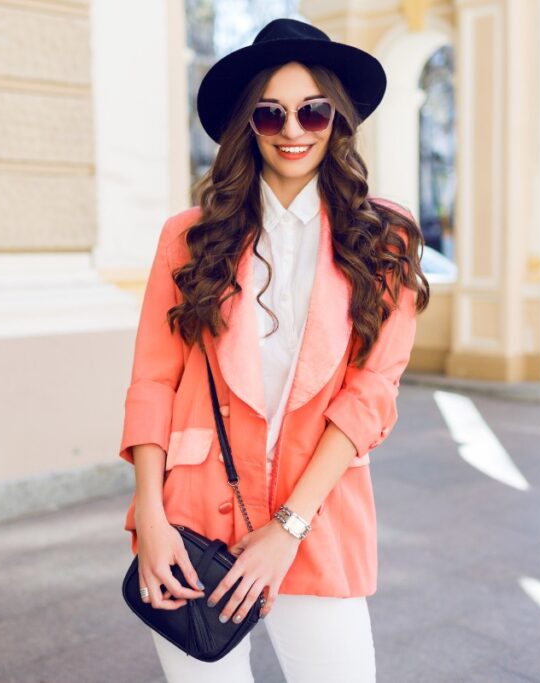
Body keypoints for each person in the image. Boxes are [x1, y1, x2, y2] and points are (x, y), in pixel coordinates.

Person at [117, 17, 430, 683]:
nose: (293, 129)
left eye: (313, 111)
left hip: (316, 515)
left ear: (336, 120)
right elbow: (152, 381)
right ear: (248, 125)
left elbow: (371, 393)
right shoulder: (189, 238)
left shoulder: (385, 239)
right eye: (270, 113)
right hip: (191, 521)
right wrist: (149, 517)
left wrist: (288, 528)